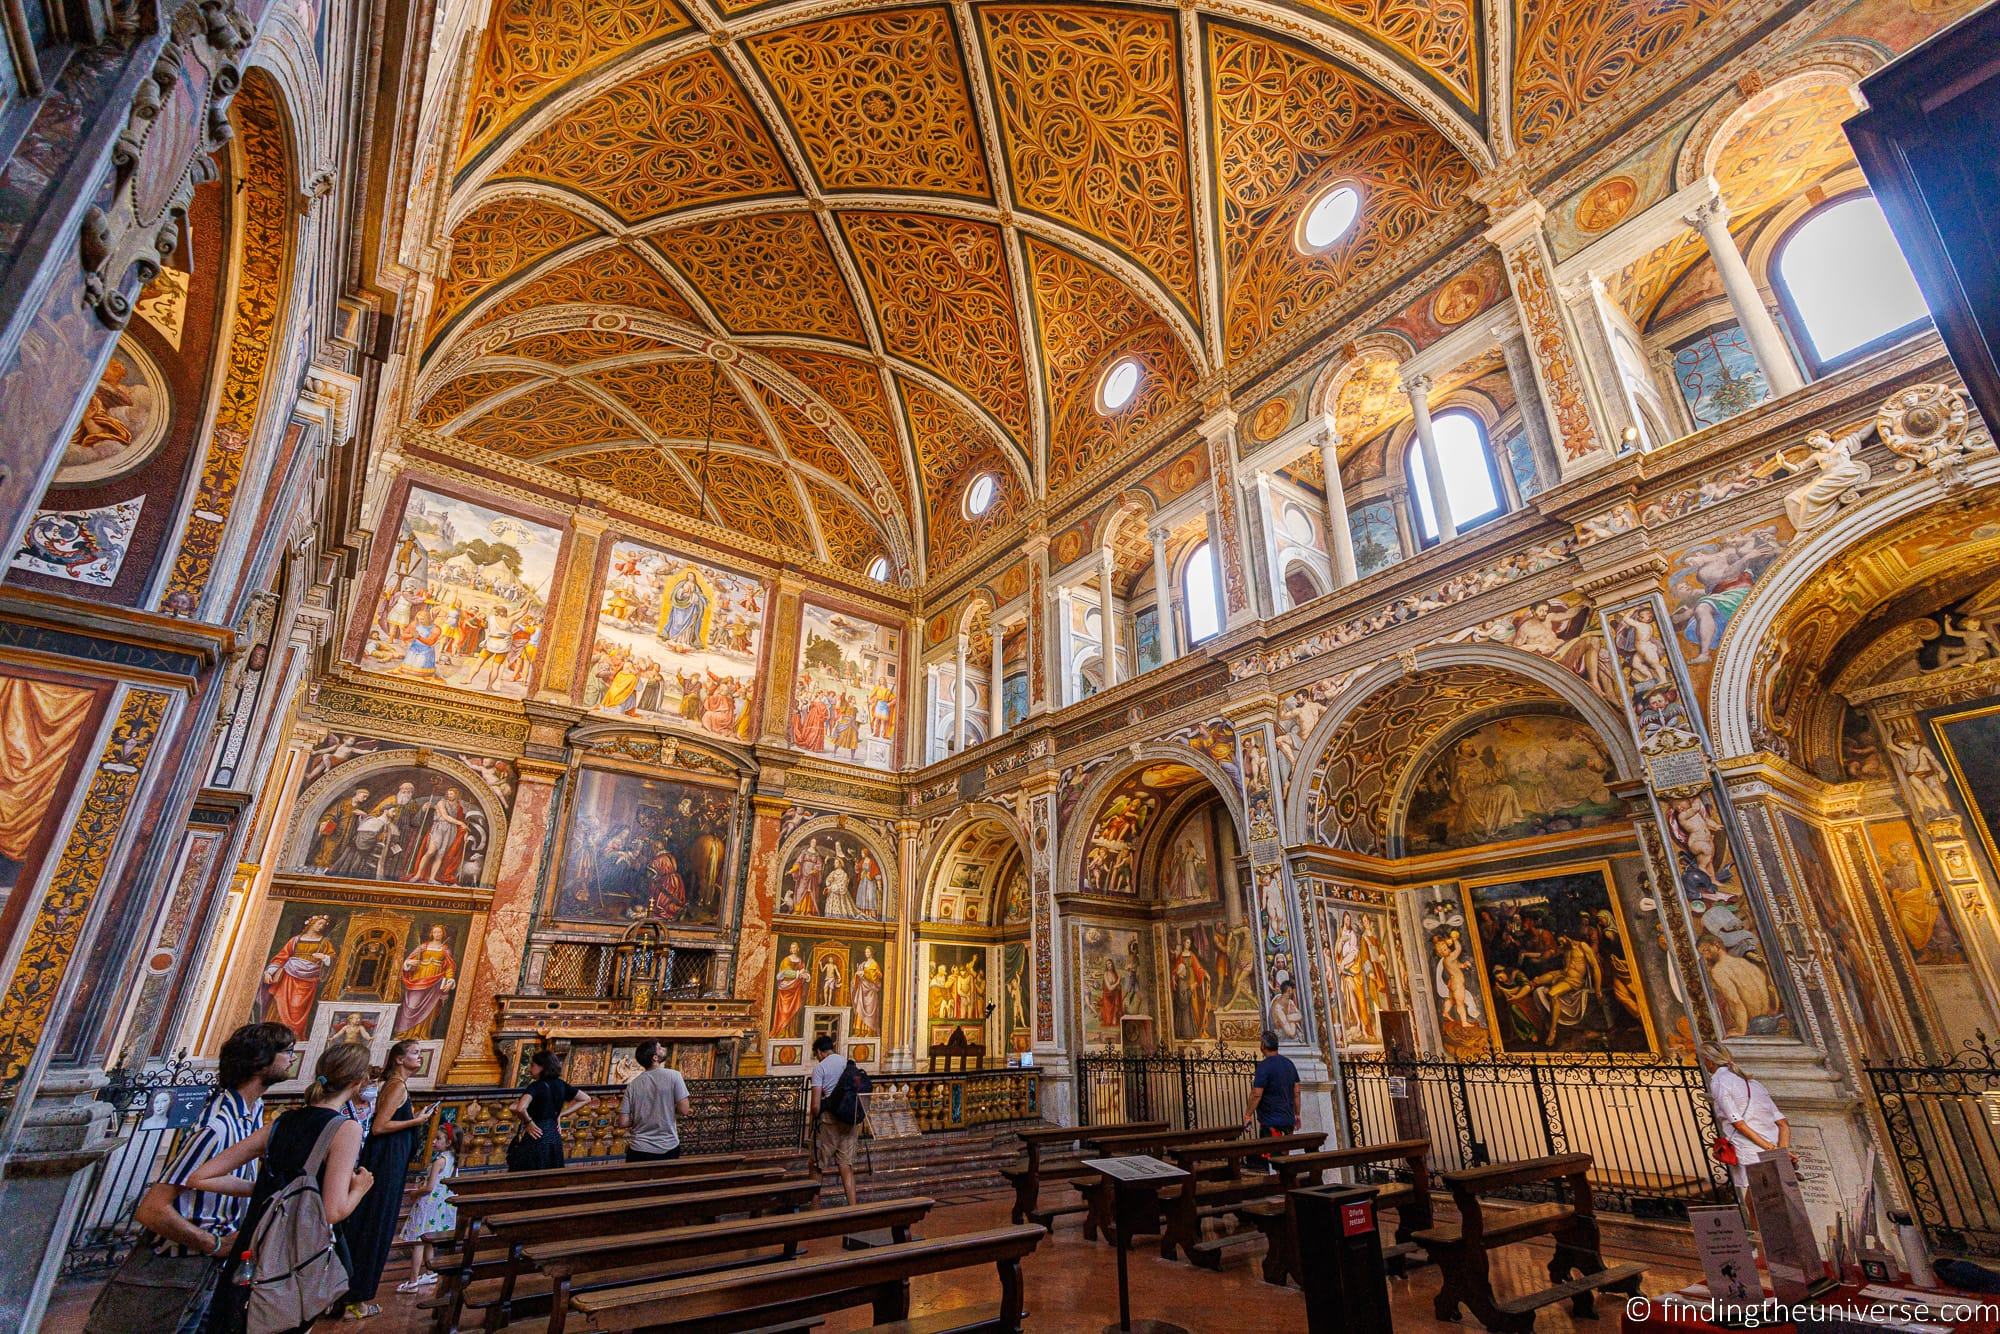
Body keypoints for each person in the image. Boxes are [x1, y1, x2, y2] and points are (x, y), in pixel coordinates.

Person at [191, 1042, 377, 1334]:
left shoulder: (282, 1121)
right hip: (297, 1249)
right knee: (281, 1320)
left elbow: (200, 1177)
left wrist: (268, 1190)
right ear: (358, 1082)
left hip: (254, 1240)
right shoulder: (345, 1128)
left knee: (237, 1320)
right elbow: (332, 1211)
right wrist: (361, 1188)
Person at [126, 1023, 295, 1333]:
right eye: (286, 1052)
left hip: (214, 1268)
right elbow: (151, 1209)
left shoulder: (251, 1112)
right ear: (261, 1060)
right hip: (182, 1267)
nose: (292, 1059)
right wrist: (213, 1243)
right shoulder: (215, 1127)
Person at [338, 1041, 435, 1320]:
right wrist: (416, 1122)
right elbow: (380, 1126)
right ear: (399, 1060)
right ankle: (355, 1298)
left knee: (374, 1224)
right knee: (374, 1225)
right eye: (415, 1053)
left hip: (390, 1160)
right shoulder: (396, 1086)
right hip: (386, 1163)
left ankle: (354, 1297)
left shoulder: (396, 1085)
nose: (420, 1057)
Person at [1700, 1042, 1795, 1189]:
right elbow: (1782, 1123)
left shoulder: (1720, 1082)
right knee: (1773, 1200)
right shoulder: (1752, 1082)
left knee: (1757, 1202)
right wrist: (1781, 1151)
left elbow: (1737, 1122)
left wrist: (1771, 1149)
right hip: (1771, 1145)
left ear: (1709, 1060)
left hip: (1750, 1149)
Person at [394, 1121, 458, 1294]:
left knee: (418, 1242)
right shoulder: (453, 1160)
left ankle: (413, 1280)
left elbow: (429, 1188)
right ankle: (430, 1272)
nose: (434, 1141)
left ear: (449, 1143)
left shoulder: (439, 1161)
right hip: (440, 1206)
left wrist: (415, 1193)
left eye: (438, 1138)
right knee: (428, 1239)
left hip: (428, 1204)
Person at [509, 1048, 591, 1171]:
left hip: (536, 1134)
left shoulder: (536, 1086)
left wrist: (528, 1122)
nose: (530, 1068)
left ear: (542, 1067)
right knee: (551, 1175)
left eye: (532, 1065)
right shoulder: (561, 1084)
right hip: (554, 1134)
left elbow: (521, 1108)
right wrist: (561, 1114)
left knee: (529, 1176)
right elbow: (586, 1099)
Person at [808, 1035, 861, 1205]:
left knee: (817, 1166)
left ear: (819, 1052)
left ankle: (814, 1214)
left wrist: (814, 1118)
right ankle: (853, 1209)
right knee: (846, 1167)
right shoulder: (847, 1063)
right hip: (849, 1120)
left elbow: (815, 1105)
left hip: (829, 1122)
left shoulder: (820, 1068)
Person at [619, 1039, 692, 1161]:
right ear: (655, 1058)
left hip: (639, 1148)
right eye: (659, 1048)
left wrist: (642, 1116)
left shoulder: (632, 1085)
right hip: (668, 1147)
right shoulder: (674, 1076)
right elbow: (684, 1110)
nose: (663, 1048)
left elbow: (623, 1122)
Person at [1244, 1029, 1300, 1167]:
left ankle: (1279, 1185)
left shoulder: (1264, 1067)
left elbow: (1257, 1094)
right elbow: (1297, 1092)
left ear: (1263, 1045)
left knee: (1272, 1160)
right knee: (1284, 1158)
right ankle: (1286, 1182)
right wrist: (1297, 1114)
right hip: (1288, 1119)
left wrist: (1247, 1115)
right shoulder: (1289, 1064)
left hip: (1271, 1121)